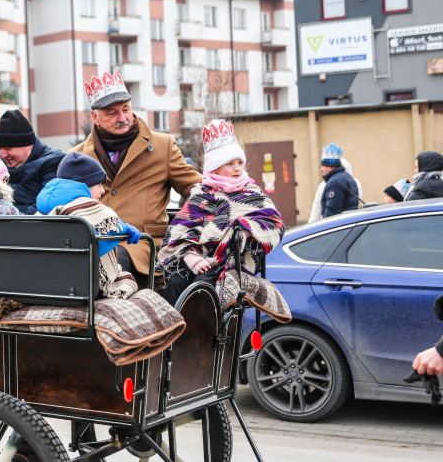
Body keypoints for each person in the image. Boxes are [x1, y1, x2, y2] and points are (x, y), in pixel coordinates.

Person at [69, 71, 200, 284]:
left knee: (109, 264)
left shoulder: (162, 145)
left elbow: (197, 189)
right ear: (95, 117)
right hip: (94, 244)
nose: (122, 118)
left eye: (126, 109)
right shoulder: (78, 156)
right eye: (111, 113)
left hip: (142, 246)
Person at [157, 119, 285, 305]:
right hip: (200, 257)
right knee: (176, 283)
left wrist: (247, 231)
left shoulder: (251, 193)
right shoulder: (200, 194)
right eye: (229, 163)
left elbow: (274, 223)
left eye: (239, 162)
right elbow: (180, 230)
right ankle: (171, 330)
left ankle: (201, 333)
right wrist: (189, 255)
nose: (237, 168)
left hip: (234, 261)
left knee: (203, 286)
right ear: (215, 167)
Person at [36, 152, 141, 299]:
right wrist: (124, 230)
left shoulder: (42, 209)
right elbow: (105, 233)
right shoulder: (85, 205)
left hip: (48, 283)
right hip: (84, 287)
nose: (103, 190)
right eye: (98, 184)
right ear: (84, 185)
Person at [0, 109, 65, 215]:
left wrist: (19, 219)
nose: (3, 155)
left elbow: (47, 203)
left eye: (8, 148)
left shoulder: (55, 162)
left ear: (28, 144)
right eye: (0, 148)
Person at [308, 157, 362, 223]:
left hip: (338, 228)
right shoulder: (323, 185)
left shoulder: (335, 183)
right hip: (348, 226)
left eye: (325, 166)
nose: (321, 169)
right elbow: (316, 210)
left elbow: (331, 215)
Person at [319, 143, 361, 218]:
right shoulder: (347, 177)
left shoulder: (335, 183)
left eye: (323, 165)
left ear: (330, 166)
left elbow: (332, 214)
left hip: (341, 227)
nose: (321, 169)